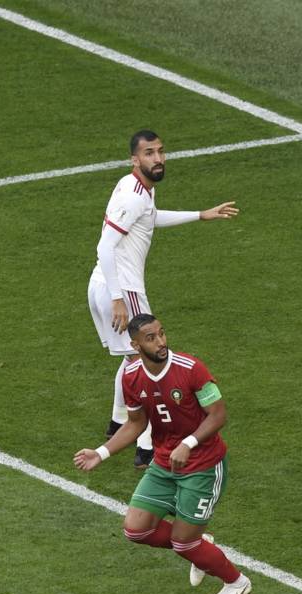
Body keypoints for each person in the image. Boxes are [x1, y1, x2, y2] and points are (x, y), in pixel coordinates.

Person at [74, 314, 251, 594]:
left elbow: (218, 414)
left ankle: (237, 582)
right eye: (151, 338)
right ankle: (201, 547)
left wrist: (188, 443)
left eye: (162, 334)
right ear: (135, 345)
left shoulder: (190, 368)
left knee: (183, 542)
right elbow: (136, 423)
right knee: (136, 529)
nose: (160, 342)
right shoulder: (132, 376)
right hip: (165, 464)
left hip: (203, 465)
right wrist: (101, 453)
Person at [87, 130, 238, 469]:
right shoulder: (132, 196)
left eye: (160, 151)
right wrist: (118, 299)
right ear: (134, 159)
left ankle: (117, 424)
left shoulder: (138, 189)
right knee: (150, 362)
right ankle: (145, 449)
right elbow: (105, 246)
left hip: (103, 284)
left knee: (131, 359)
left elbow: (150, 219)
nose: (157, 158)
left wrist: (200, 214)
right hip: (120, 289)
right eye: (149, 153)